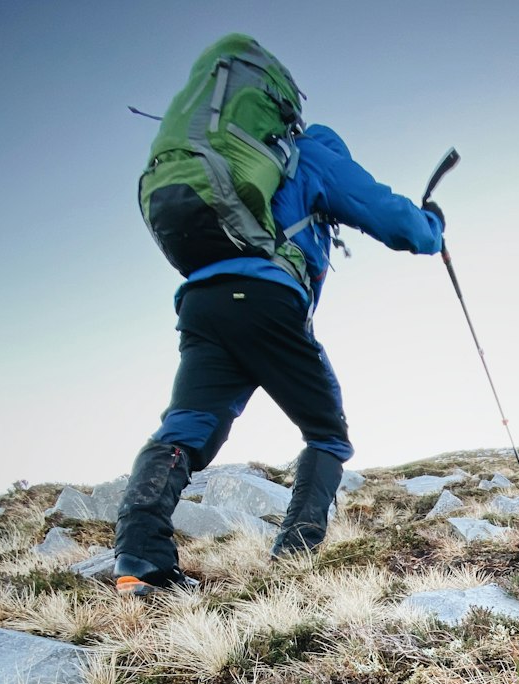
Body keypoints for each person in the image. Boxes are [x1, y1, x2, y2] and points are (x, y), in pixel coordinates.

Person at [114, 124, 445, 595]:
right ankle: (294, 555)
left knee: (184, 428)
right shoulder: (311, 156)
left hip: (202, 306)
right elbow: (393, 218)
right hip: (266, 301)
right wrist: (432, 227)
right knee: (328, 434)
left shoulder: (229, 164)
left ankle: (139, 558)